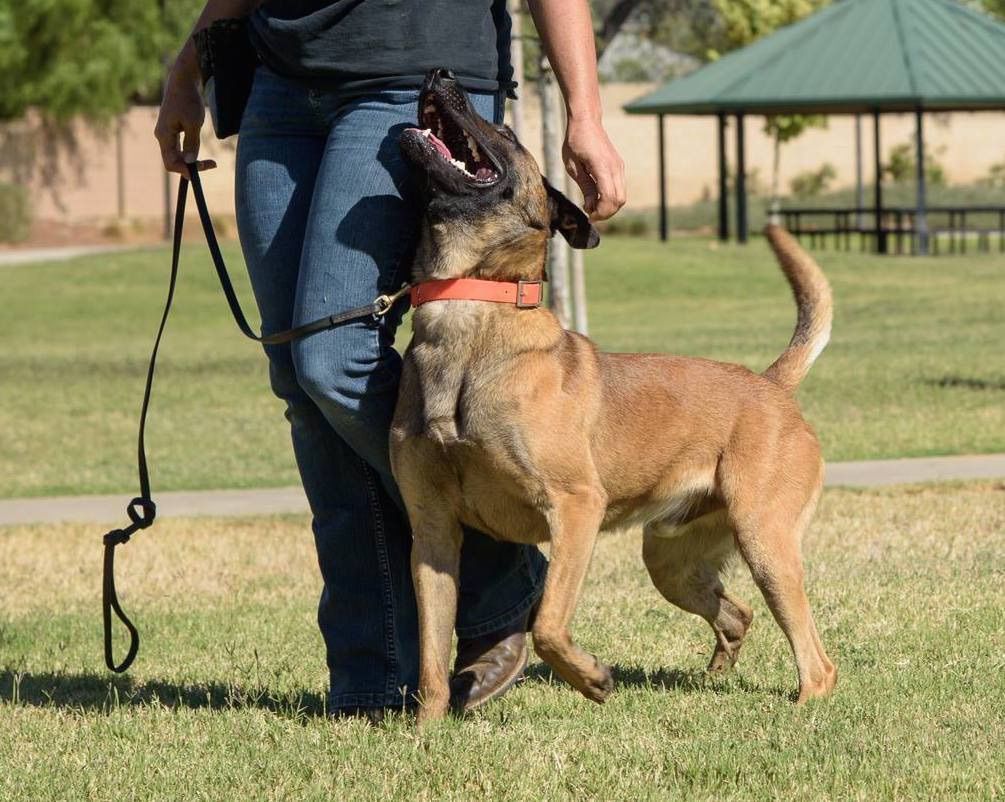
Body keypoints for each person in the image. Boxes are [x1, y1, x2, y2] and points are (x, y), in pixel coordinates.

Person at [155, 0, 626, 718]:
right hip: (278, 79)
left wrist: (584, 111)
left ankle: (496, 579)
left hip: (409, 68)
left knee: (331, 359)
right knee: (300, 382)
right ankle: (373, 674)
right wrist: (189, 63)